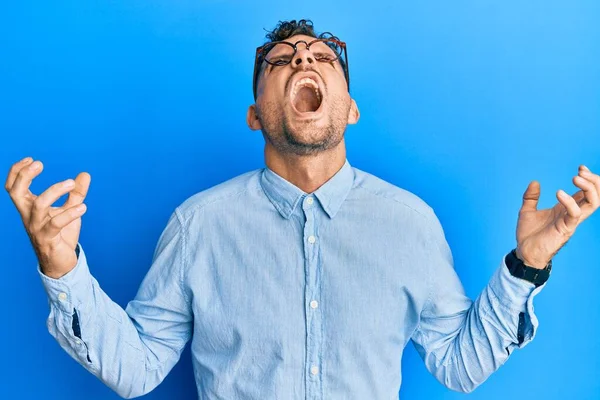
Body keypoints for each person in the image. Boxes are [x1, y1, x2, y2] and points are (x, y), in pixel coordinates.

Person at [5, 19, 599, 399]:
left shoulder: (410, 223)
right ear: (256, 114)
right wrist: (62, 268)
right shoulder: (199, 225)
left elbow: (459, 365)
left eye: (321, 57)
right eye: (280, 61)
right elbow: (136, 368)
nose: (302, 62)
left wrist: (528, 264)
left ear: (351, 107)